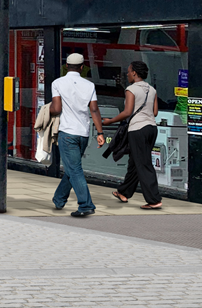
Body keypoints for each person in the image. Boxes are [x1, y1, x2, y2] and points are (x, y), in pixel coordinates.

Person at [50, 53, 106, 218]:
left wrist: (46, 110)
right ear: (82, 67)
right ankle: (59, 199)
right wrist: (100, 133)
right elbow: (94, 110)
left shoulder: (58, 83)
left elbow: (57, 108)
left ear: (66, 66)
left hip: (67, 132)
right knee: (72, 168)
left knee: (74, 169)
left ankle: (86, 205)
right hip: (83, 133)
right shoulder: (89, 85)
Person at [102, 61, 162, 209]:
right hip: (151, 128)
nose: (127, 74)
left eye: (128, 71)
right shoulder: (151, 89)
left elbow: (127, 112)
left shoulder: (131, 89)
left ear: (134, 73)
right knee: (135, 162)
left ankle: (154, 199)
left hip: (137, 129)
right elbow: (155, 113)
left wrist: (110, 121)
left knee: (143, 164)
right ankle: (124, 192)